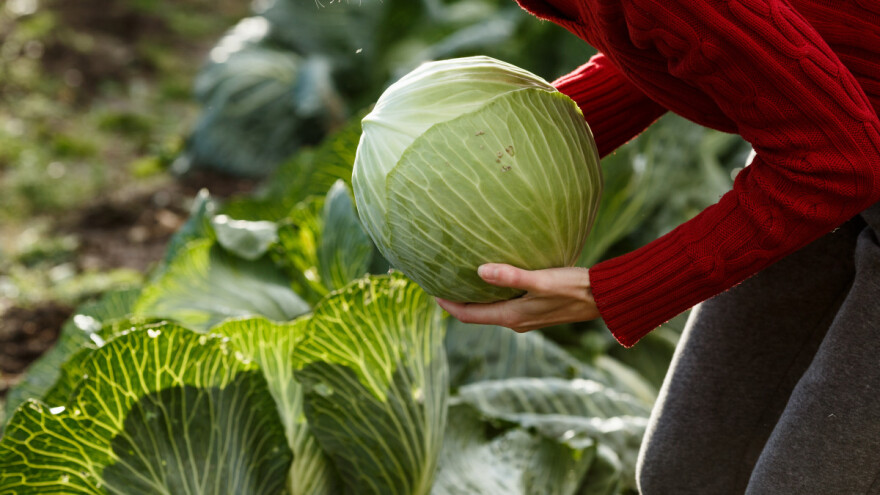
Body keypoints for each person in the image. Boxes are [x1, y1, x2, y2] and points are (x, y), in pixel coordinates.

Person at [435, 0, 880, 492]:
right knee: (687, 474)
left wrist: (611, 291)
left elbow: (839, 164)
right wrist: (519, 154)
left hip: (836, 153)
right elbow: (692, 34)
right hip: (837, 125)